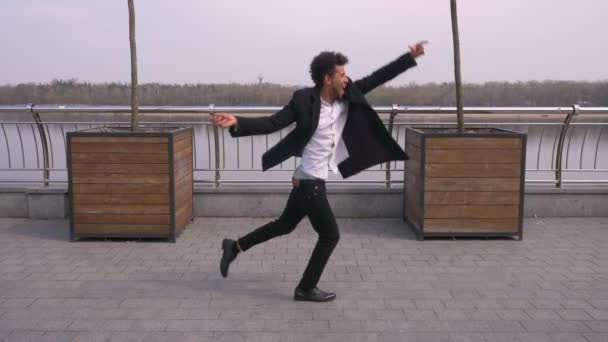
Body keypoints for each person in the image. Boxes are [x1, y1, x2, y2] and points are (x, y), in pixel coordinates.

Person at [212, 41, 427, 302]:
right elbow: (273, 123)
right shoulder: (304, 100)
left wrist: (409, 58)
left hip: (306, 177)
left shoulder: (348, 95)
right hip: (311, 181)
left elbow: (379, 77)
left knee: (284, 225)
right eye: (341, 74)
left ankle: (234, 247)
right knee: (330, 235)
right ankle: (305, 288)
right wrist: (238, 123)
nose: (346, 79)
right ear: (327, 78)